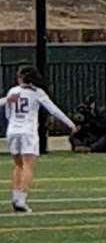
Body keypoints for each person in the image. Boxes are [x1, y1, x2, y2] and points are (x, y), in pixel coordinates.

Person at [3, 66, 78, 213]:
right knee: (28, 165)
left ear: (21, 78)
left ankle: (15, 196)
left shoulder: (13, 91)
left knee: (18, 165)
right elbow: (53, 109)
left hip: (12, 130)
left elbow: (7, 113)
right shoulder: (37, 92)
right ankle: (22, 200)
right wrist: (70, 124)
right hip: (28, 132)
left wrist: (13, 124)